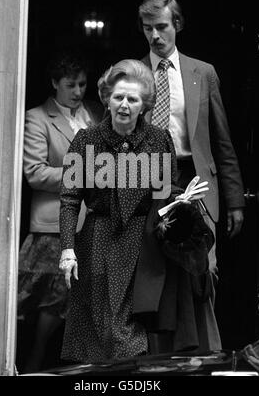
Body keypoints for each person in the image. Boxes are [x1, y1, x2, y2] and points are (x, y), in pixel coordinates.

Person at [137, 0, 245, 352]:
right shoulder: (134, 75)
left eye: (162, 27)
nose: (155, 35)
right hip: (152, 182)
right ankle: (160, 362)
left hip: (196, 179)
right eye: (148, 28)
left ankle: (204, 357)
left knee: (204, 270)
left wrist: (234, 201)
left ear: (177, 25)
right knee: (158, 279)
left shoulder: (203, 73)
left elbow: (222, 141)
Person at [59, 59, 182, 362]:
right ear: (107, 99)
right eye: (118, 97)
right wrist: (67, 249)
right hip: (98, 241)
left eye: (133, 99)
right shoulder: (86, 140)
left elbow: (166, 194)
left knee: (131, 329)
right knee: (102, 329)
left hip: (143, 244)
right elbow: (70, 199)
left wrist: (179, 207)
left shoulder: (158, 140)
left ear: (145, 104)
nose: (124, 104)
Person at [17, 50, 103, 373]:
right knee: (51, 304)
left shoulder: (94, 113)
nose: (79, 91)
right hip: (53, 225)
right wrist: (80, 174)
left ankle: (72, 365)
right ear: (55, 83)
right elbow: (35, 172)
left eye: (82, 84)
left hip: (90, 222)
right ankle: (36, 359)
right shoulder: (37, 117)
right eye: (71, 85)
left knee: (79, 304)